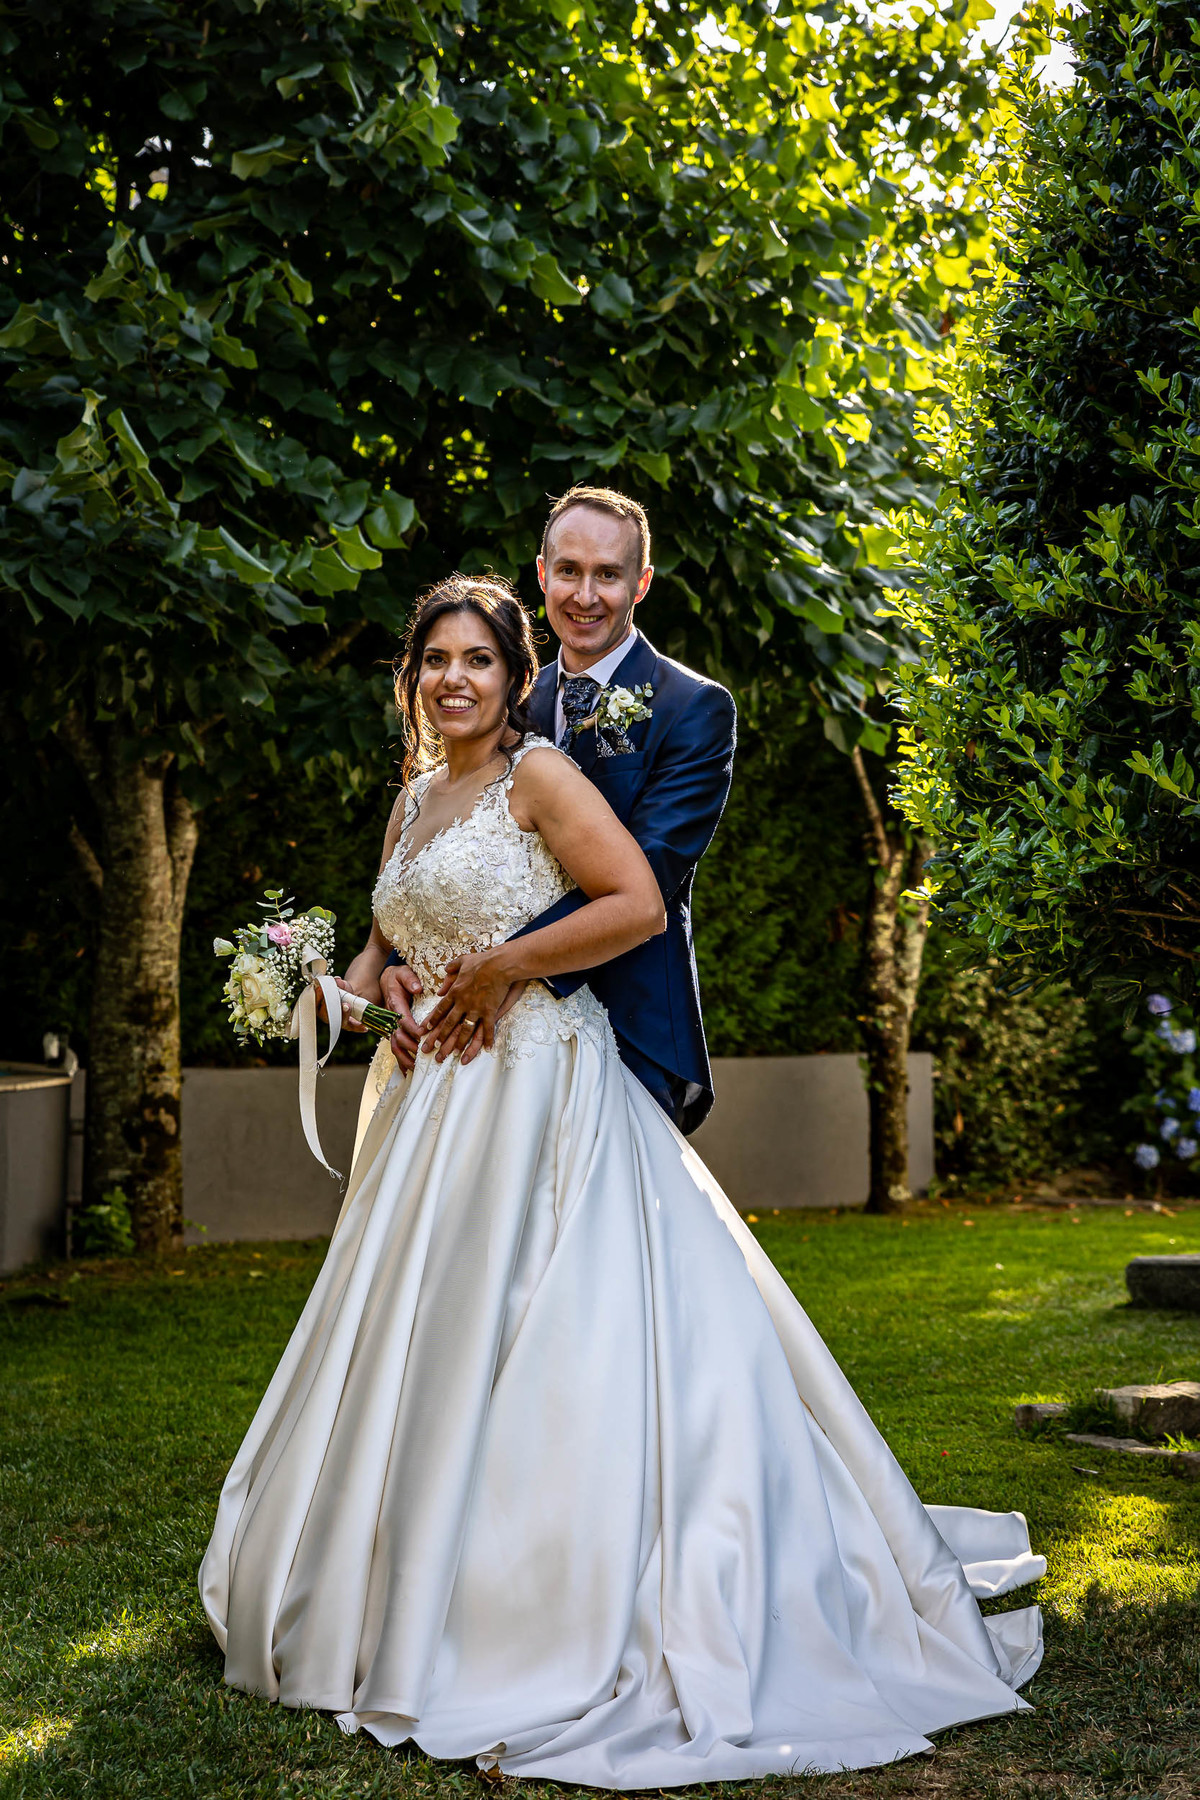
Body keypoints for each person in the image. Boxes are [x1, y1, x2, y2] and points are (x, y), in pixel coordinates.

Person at [199, 570, 1044, 1788]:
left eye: (478, 661)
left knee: (560, 1340)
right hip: (438, 1118)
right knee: (425, 1344)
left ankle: (547, 1604)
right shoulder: (414, 796)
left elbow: (636, 903)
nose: (453, 679)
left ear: (515, 678)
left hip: (541, 1093)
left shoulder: (540, 778)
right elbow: (390, 939)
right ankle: (391, 1585)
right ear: (412, 675)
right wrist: (366, 990)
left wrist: (503, 969)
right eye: (435, 659)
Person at [376, 486, 736, 1135]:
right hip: (481, 1031)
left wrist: (502, 963)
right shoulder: (509, 695)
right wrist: (420, 962)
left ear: (642, 583)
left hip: (628, 1020)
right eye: (568, 571)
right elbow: (470, 850)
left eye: (608, 575)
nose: (584, 596)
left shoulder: (691, 708)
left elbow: (648, 878)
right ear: (543, 574)